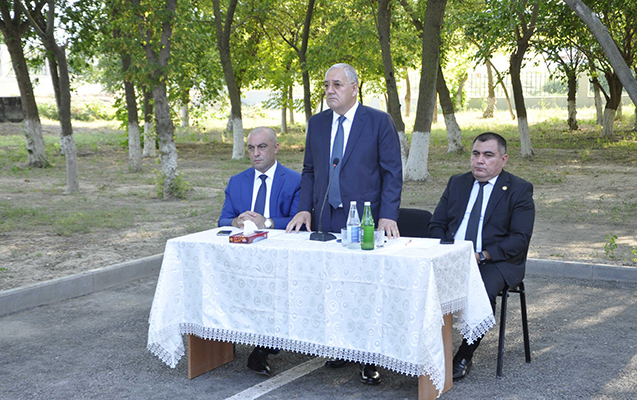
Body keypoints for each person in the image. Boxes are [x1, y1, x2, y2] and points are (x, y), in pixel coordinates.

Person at [286, 63, 403, 385]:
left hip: (365, 219)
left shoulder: (377, 121)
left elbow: (392, 172)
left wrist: (388, 215)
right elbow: (309, 171)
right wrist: (305, 210)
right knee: (331, 285)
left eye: (336, 84)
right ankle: (341, 346)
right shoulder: (318, 123)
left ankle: (369, 357)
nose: (329, 91)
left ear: (354, 87)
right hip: (327, 216)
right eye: (326, 85)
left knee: (364, 288)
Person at [428, 132, 535, 380]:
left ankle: (464, 354)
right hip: (451, 256)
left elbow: (520, 239)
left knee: (482, 288)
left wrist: (483, 255)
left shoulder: (519, 190)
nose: (480, 160)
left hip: (495, 261)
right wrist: (444, 250)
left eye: (488, 155)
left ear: (503, 159)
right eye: (475, 154)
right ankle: (422, 348)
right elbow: (437, 224)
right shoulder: (457, 183)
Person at [218, 126, 301, 376]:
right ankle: (222, 337)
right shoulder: (237, 182)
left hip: (281, 256)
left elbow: (300, 220)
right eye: (251, 148)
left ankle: (264, 348)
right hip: (242, 256)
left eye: (262, 147)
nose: (256, 153)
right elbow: (223, 219)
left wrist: (268, 223)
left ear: (276, 148)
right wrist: (236, 222)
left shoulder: (295, 181)